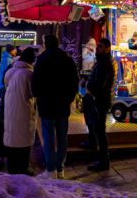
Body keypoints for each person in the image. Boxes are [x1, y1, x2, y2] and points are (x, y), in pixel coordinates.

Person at [32, 35, 79, 179]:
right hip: (63, 104)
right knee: (62, 137)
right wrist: (70, 98)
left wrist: (38, 97)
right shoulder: (67, 59)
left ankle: (50, 169)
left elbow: (35, 83)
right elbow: (74, 81)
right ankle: (60, 169)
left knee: (48, 136)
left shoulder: (41, 60)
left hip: (46, 105)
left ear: (46, 44)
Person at [4, 47, 36, 175]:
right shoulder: (29, 74)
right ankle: (23, 167)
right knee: (24, 138)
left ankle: (12, 166)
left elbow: (6, 87)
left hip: (10, 109)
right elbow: (33, 92)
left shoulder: (10, 72)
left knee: (12, 137)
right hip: (24, 109)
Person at [85, 38, 116, 171]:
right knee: (94, 125)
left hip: (100, 100)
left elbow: (100, 84)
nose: (97, 49)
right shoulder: (102, 62)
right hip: (99, 99)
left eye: (100, 47)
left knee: (100, 130)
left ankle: (104, 161)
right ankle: (93, 145)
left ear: (107, 48)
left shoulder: (105, 64)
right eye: (97, 46)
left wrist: (88, 86)